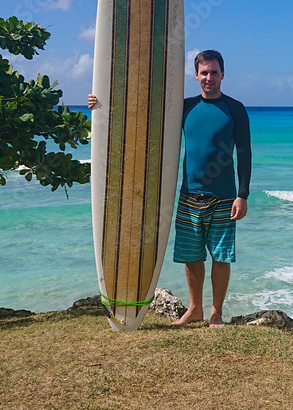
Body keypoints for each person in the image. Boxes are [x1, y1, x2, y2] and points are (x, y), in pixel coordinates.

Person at [88, 49, 251, 327]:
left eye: (214, 72)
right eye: (204, 72)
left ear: (223, 74)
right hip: (189, 195)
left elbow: (245, 152)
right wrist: (103, 104)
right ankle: (195, 309)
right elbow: (142, 115)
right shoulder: (184, 107)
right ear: (196, 75)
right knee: (192, 256)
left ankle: (216, 313)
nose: (209, 77)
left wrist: (242, 195)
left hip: (224, 197)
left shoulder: (235, 108)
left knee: (221, 257)